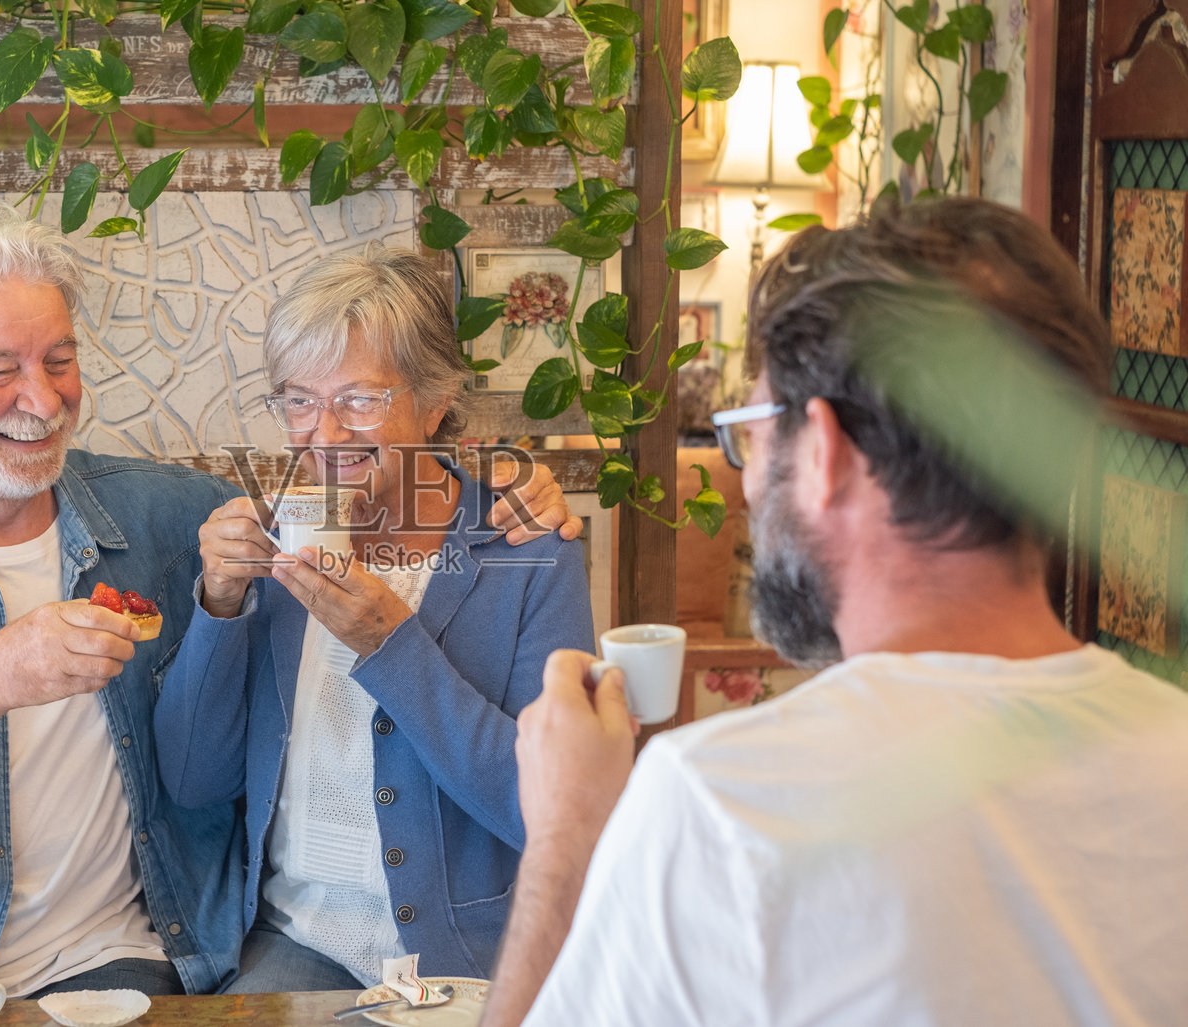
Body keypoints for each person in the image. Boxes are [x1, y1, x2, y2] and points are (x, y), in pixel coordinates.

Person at [0, 206, 579, 1024]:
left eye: (60, 361)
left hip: (102, 955)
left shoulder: (174, 516)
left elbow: (383, 497)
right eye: (0, 370)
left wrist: (497, 482)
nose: (42, 398)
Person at [485, 197, 1188, 1026]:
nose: (746, 482)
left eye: (749, 433)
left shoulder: (725, 805)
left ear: (825, 452)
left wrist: (566, 844)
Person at [153, 247, 596, 993]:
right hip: (299, 946)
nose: (323, 434)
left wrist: (391, 643)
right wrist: (219, 608)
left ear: (432, 400)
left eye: (360, 399)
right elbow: (193, 779)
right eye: (299, 400)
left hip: (475, 960)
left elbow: (547, 812)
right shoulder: (278, 539)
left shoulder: (526, 548)